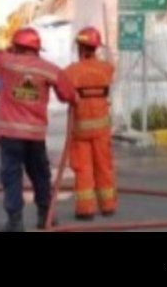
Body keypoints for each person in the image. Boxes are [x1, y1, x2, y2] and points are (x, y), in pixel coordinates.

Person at [0, 27, 75, 232]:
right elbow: (67, 92)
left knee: (11, 176)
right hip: (35, 135)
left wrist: (9, 49)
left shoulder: (7, 63)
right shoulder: (47, 68)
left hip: (10, 135)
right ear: (37, 49)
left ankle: (15, 222)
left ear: (16, 46)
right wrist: (74, 99)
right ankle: (46, 216)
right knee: (40, 174)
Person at [61, 26, 117, 220]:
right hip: (102, 130)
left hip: (80, 131)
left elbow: (63, 94)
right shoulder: (106, 69)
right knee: (104, 166)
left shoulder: (71, 72)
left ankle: (85, 210)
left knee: (83, 169)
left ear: (80, 47)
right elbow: (112, 70)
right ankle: (108, 206)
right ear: (95, 48)